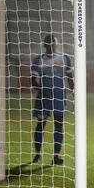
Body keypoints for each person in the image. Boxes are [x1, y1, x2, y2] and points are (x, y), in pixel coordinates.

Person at [31, 34, 73, 165]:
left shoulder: (65, 58)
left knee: (59, 124)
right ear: (44, 45)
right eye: (49, 44)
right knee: (41, 123)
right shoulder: (38, 60)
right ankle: (37, 154)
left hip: (59, 96)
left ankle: (56, 156)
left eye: (54, 43)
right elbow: (33, 81)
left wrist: (74, 90)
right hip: (44, 96)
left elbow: (69, 77)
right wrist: (42, 90)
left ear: (57, 43)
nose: (51, 46)